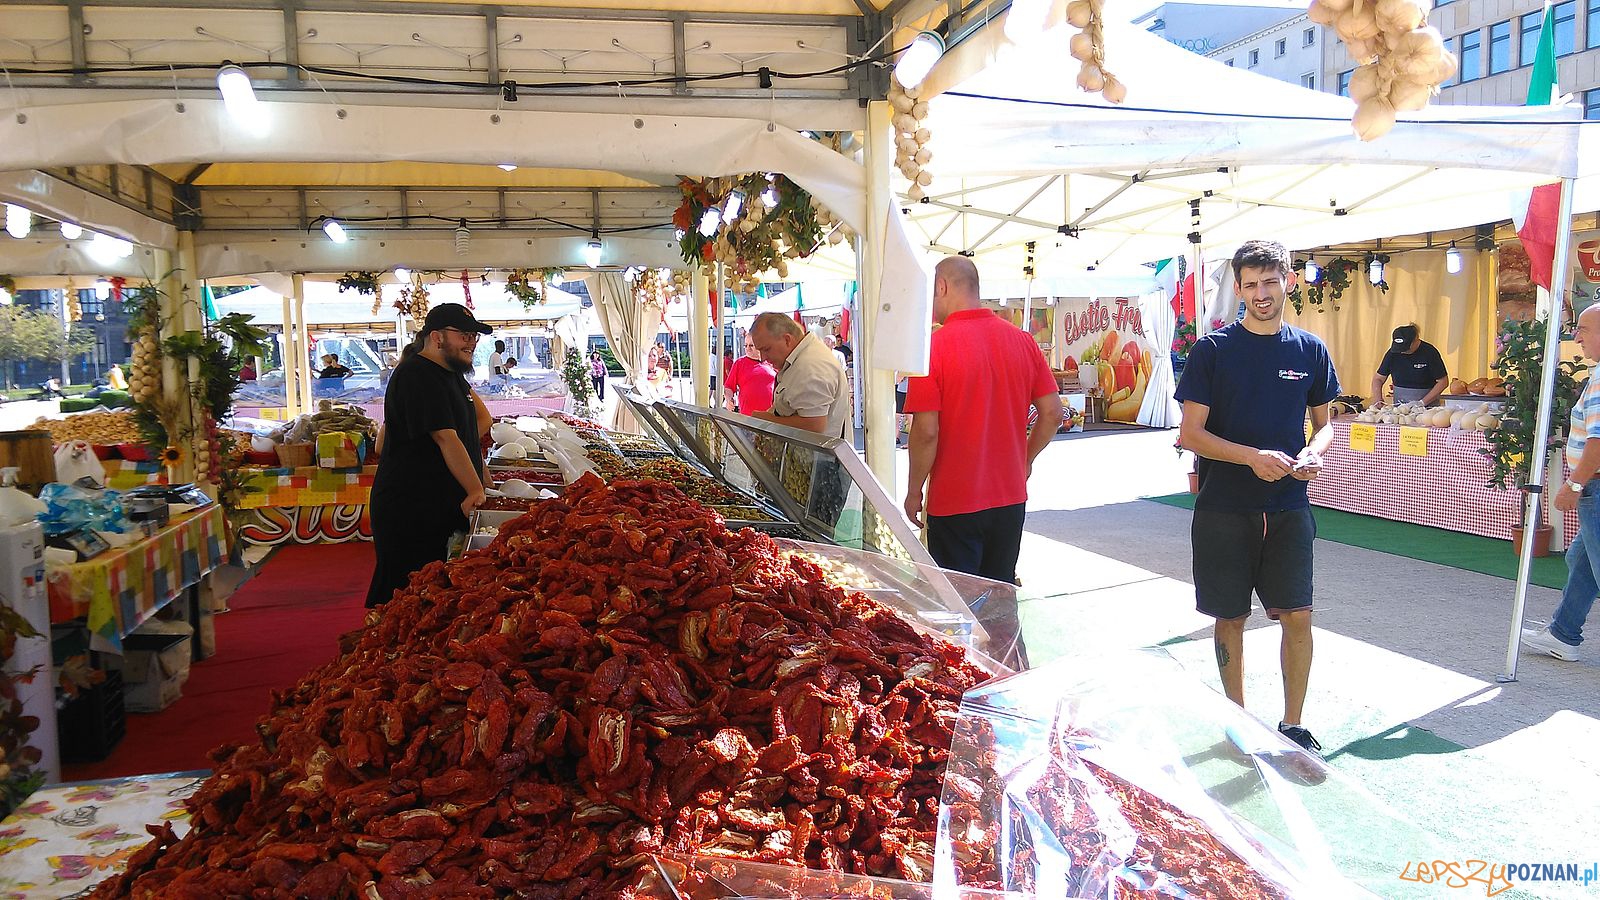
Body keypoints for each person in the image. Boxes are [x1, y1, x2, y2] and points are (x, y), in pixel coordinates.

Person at [1175, 239, 1340, 756]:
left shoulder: (1310, 349)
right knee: (1230, 617)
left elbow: (1327, 426)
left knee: (1298, 615)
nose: (1262, 294)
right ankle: (1237, 719)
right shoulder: (1214, 351)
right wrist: (1250, 457)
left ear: (1289, 281)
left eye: (1271, 282)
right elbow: (1190, 435)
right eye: (1251, 285)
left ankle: (1292, 725)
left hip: (1290, 509)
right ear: (1240, 289)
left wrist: (1315, 453)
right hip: (1225, 508)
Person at [901, 256, 1063, 585]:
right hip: (1010, 498)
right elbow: (1053, 413)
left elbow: (926, 433)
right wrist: (1025, 459)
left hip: (954, 501)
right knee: (1001, 595)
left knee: (961, 605)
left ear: (942, 287)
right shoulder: (1022, 340)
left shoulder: (932, 348)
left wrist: (914, 489)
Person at [365, 303, 494, 609]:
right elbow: (445, 438)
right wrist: (475, 488)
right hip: (410, 509)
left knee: (430, 599)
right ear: (436, 336)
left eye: (474, 336)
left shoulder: (451, 375)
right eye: (463, 335)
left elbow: (467, 430)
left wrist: (481, 474)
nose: (471, 342)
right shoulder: (416, 374)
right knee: (401, 596)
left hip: (437, 506)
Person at [1524, 304, 1600, 662]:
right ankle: (1563, 634)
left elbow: (1598, 442)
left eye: (1583, 329)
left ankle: (1563, 633)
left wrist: (1574, 484)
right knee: (1580, 559)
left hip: (1595, 488)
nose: (1577, 336)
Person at [747, 311, 849, 437]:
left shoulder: (811, 367)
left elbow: (814, 425)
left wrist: (765, 420)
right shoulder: (804, 355)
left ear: (787, 340)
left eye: (766, 349)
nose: (762, 358)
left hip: (814, 455)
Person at [1371, 323, 1447, 406]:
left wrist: (1422, 403)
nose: (1402, 351)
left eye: (1405, 348)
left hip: (1427, 408)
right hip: (1399, 408)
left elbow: (1443, 382)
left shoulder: (1429, 352)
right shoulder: (1392, 353)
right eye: (1399, 348)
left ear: (1416, 340)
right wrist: (1377, 398)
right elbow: (1378, 379)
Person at [724, 333, 777, 414]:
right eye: (746, 345)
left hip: (770, 415)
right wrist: (729, 400)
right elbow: (729, 387)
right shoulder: (740, 363)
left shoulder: (771, 362)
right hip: (748, 416)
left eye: (751, 345)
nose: (748, 348)